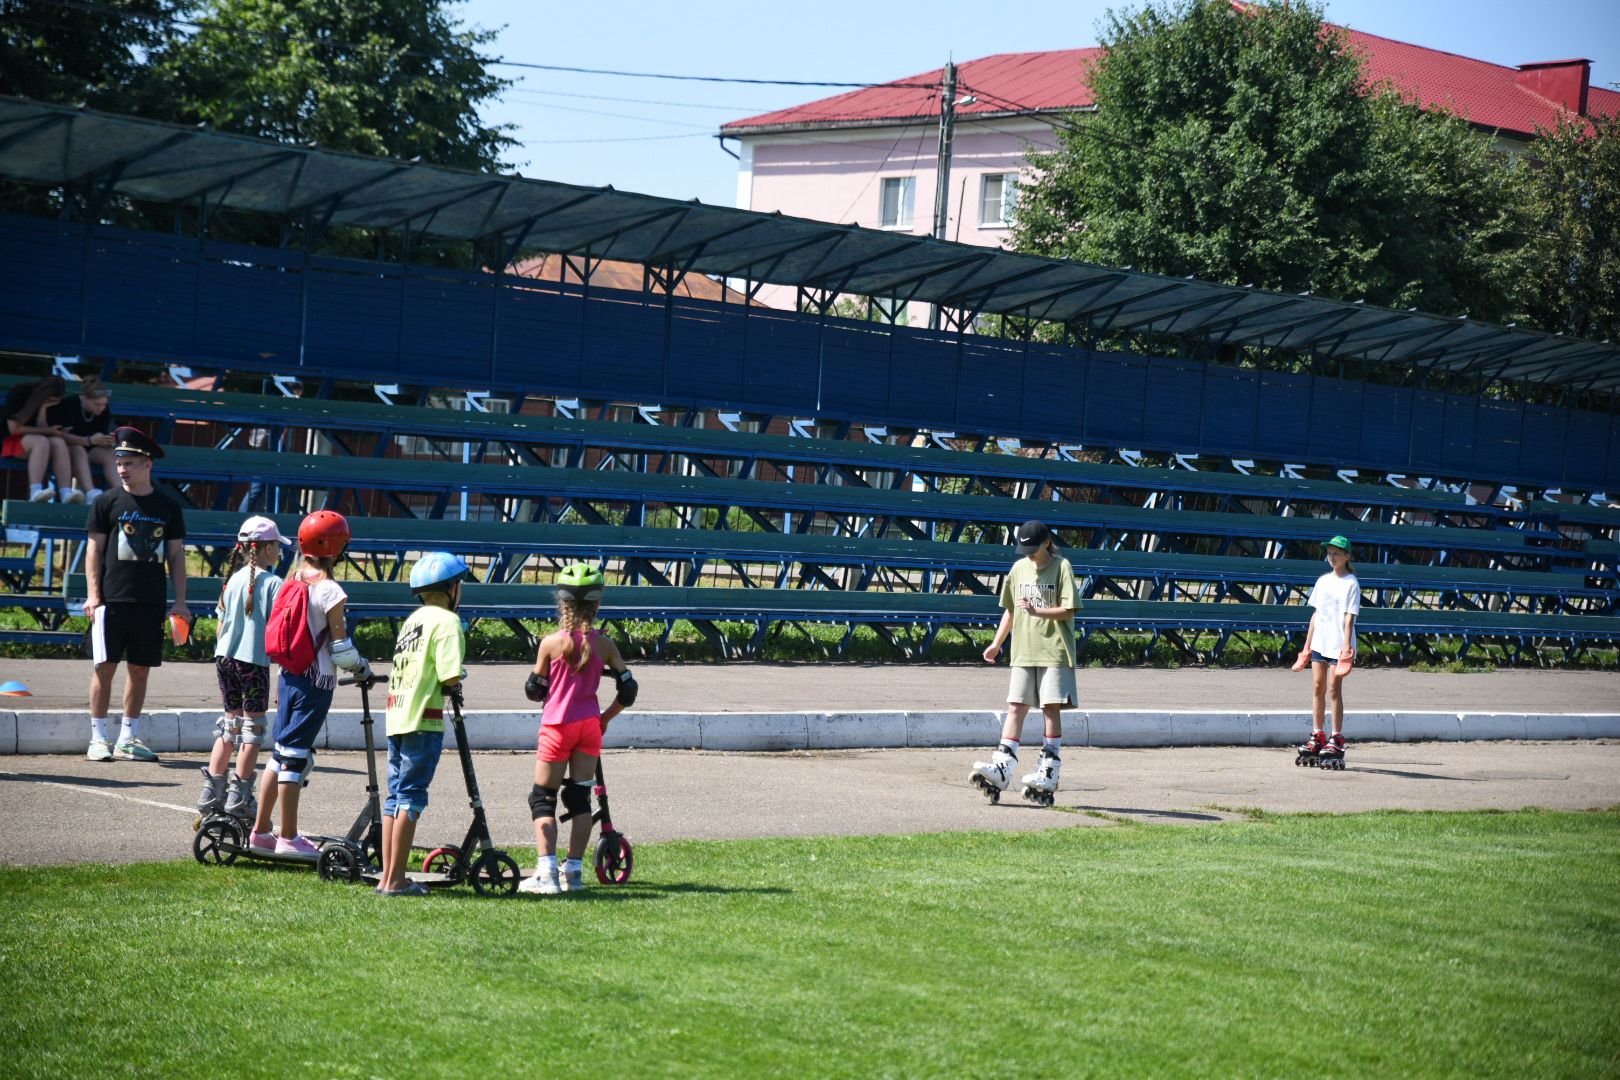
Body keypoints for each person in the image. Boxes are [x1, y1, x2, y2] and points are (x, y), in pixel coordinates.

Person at [248, 510, 371, 860]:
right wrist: (361, 668)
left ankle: (261, 831)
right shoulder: (330, 590)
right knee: (295, 758)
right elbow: (341, 648)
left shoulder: (292, 580)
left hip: (288, 677)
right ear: (333, 547)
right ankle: (288, 836)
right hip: (316, 682)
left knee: (280, 753)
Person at [518, 564, 638, 896]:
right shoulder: (606, 645)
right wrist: (605, 718)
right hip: (589, 726)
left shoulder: (551, 644)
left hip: (558, 725)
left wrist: (542, 686)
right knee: (579, 799)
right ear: (597, 605)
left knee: (542, 799)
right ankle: (573, 871)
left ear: (563, 604)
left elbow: (533, 689)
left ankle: (546, 873)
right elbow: (629, 690)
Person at [82, 426, 189, 762]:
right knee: (104, 666)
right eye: (119, 462)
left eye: (129, 462)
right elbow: (93, 551)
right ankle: (98, 737)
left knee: (140, 669)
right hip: (111, 599)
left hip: (151, 600)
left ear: (147, 464)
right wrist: (92, 595)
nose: (122, 469)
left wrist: (180, 600)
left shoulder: (168, 506)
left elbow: (176, 555)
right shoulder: (106, 502)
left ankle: (128, 737)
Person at [377, 551, 470, 898]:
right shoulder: (447, 623)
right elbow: (448, 676)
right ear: (451, 588)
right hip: (424, 720)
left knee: (394, 798)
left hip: (397, 715)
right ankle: (398, 880)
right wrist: (460, 677)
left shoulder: (412, 621)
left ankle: (386, 876)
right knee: (412, 798)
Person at [971, 520, 1079, 804]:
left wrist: (1037, 610)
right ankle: (1003, 765)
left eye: (1033, 548)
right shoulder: (1018, 569)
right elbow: (1010, 610)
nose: (1029, 554)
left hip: (1054, 650)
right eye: (1024, 549)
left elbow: (1068, 610)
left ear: (1046, 542)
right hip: (1023, 650)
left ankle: (1049, 767)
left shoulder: (1062, 567)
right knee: (1016, 706)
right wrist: (997, 643)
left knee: (1049, 707)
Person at [197, 516, 290, 819]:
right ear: (264, 549)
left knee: (230, 724)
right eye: (277, 545)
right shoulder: (273, 583)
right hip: (252, 661)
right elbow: (279, 628)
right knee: (253, 730)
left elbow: (220, 624)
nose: (279, 550)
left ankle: (211, 791)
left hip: (224, 659)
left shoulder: (232, 580)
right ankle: (239, 795)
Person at [1292, 535, 1361, 767]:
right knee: (1317, 687)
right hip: (1320, 642)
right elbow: (1316, 615)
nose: (1332, 557)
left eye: (1337, 554)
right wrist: (1306, 647)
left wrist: (1346, 647)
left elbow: (1350, 617)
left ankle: (1336, 737)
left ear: (1346, 557)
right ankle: (1318, 734)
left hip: (1338, 644)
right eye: (1329, 553)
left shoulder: (1351, 583)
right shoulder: (1322, 581)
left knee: (1333, 690)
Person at [47, 376, 117, 503]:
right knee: (79, 450)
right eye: (97, 404)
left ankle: (123, 495)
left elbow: (100, 434)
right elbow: (60, 435)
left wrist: (106, 440)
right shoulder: (70, 404)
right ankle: (91, 493)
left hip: (89, 446)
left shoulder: (104, 411)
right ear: (85, 398)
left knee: (110, 455)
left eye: (104, 404)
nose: (101, 408)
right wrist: (89, 440)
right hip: (64, 448)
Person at [4, 374, 71, 503]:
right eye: (49, 399)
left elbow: (42, 428)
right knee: (41, 441)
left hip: (39, 442)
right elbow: (14, 429)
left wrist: (43, 408)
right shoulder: (20, 393)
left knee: (58, 442)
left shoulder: (51, 402)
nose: (52, 402)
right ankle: (35, 492)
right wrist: (49, 431)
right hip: (12, 441)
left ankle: (66, 493)